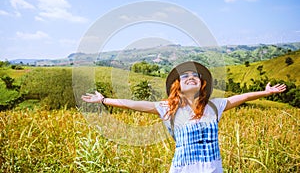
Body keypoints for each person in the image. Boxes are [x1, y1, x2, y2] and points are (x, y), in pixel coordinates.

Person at [81, 61, 286, 173]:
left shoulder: (214, 106)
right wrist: (104, 100)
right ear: (178, 86)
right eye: (185, 76)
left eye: (195, 75)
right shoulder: (169, 108)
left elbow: (241, 97)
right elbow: (137, 105)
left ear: (201, 84)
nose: (191, 77)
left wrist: (265, 93)